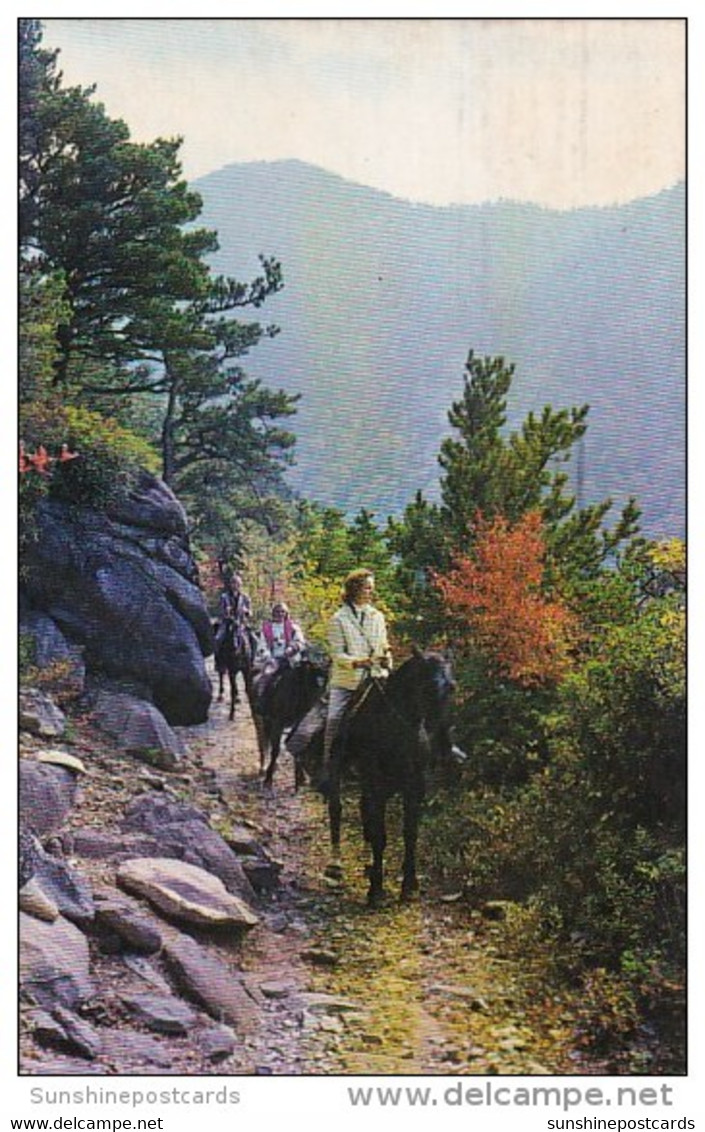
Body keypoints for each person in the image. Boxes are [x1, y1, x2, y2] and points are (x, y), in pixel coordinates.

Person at [321, 568, 392, 782]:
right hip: (348, 681)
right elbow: (337, 654)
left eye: (372, 587)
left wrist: (387, 657)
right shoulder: (338, 619)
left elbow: (383, 643)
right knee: (334, 718)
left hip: (377, 677)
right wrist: (360, 662)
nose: (371, 591)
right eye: (367, 587)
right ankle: (328, 767)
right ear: (354, 589)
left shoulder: (377, 616)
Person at [254, 602, 307, 702]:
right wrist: (267, 655)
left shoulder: (293, 627)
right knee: (266, 675)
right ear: (273, 613)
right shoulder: (267, 628)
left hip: (291, 659)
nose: (280, 614)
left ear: (286, 613)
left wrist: (292, 648)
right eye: (277, 612)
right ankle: (261, 699)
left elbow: (301, 642)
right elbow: (262, 645)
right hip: (273, 659)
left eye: (283, 612)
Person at [215, 572, 252, 649]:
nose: (235, 586)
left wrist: (246, 611)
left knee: (254, 639)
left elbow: (250, 613)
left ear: (241, 585)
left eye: (238, 584)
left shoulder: (245, 597)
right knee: (218, 638)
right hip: (227, 624)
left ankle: (251, 658)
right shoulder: (224, 597)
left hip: (241, 624)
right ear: (230, 584)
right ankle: (217, 657)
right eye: (233, 583)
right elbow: (220, 612)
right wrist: (226, 613)